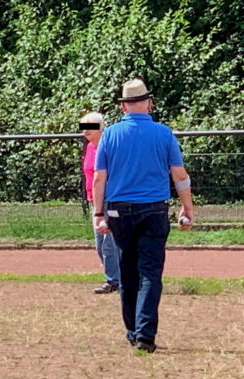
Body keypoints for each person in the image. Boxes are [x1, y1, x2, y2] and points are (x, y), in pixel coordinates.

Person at [93, 78, 194, 353]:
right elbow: (180, 176)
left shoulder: (110, 135)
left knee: (127, 271)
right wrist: (187, 208)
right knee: (150, 272)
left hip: (118, 210)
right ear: (148, 103)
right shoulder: (164, 134)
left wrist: (98, 214)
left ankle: (131, 331)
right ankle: (145, 335)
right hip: (154, 208)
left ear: (123, 106)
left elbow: (100, 178)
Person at [80, 111, 121, 294]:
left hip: (108, 200)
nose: (85, 131)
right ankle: (117, 278)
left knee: (109, 243)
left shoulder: (108, 146)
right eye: (84, 127)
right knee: (100, 244)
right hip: (94, 200)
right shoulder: (89, 147)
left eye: (90, 127)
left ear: (100, 128)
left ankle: (116, 281)